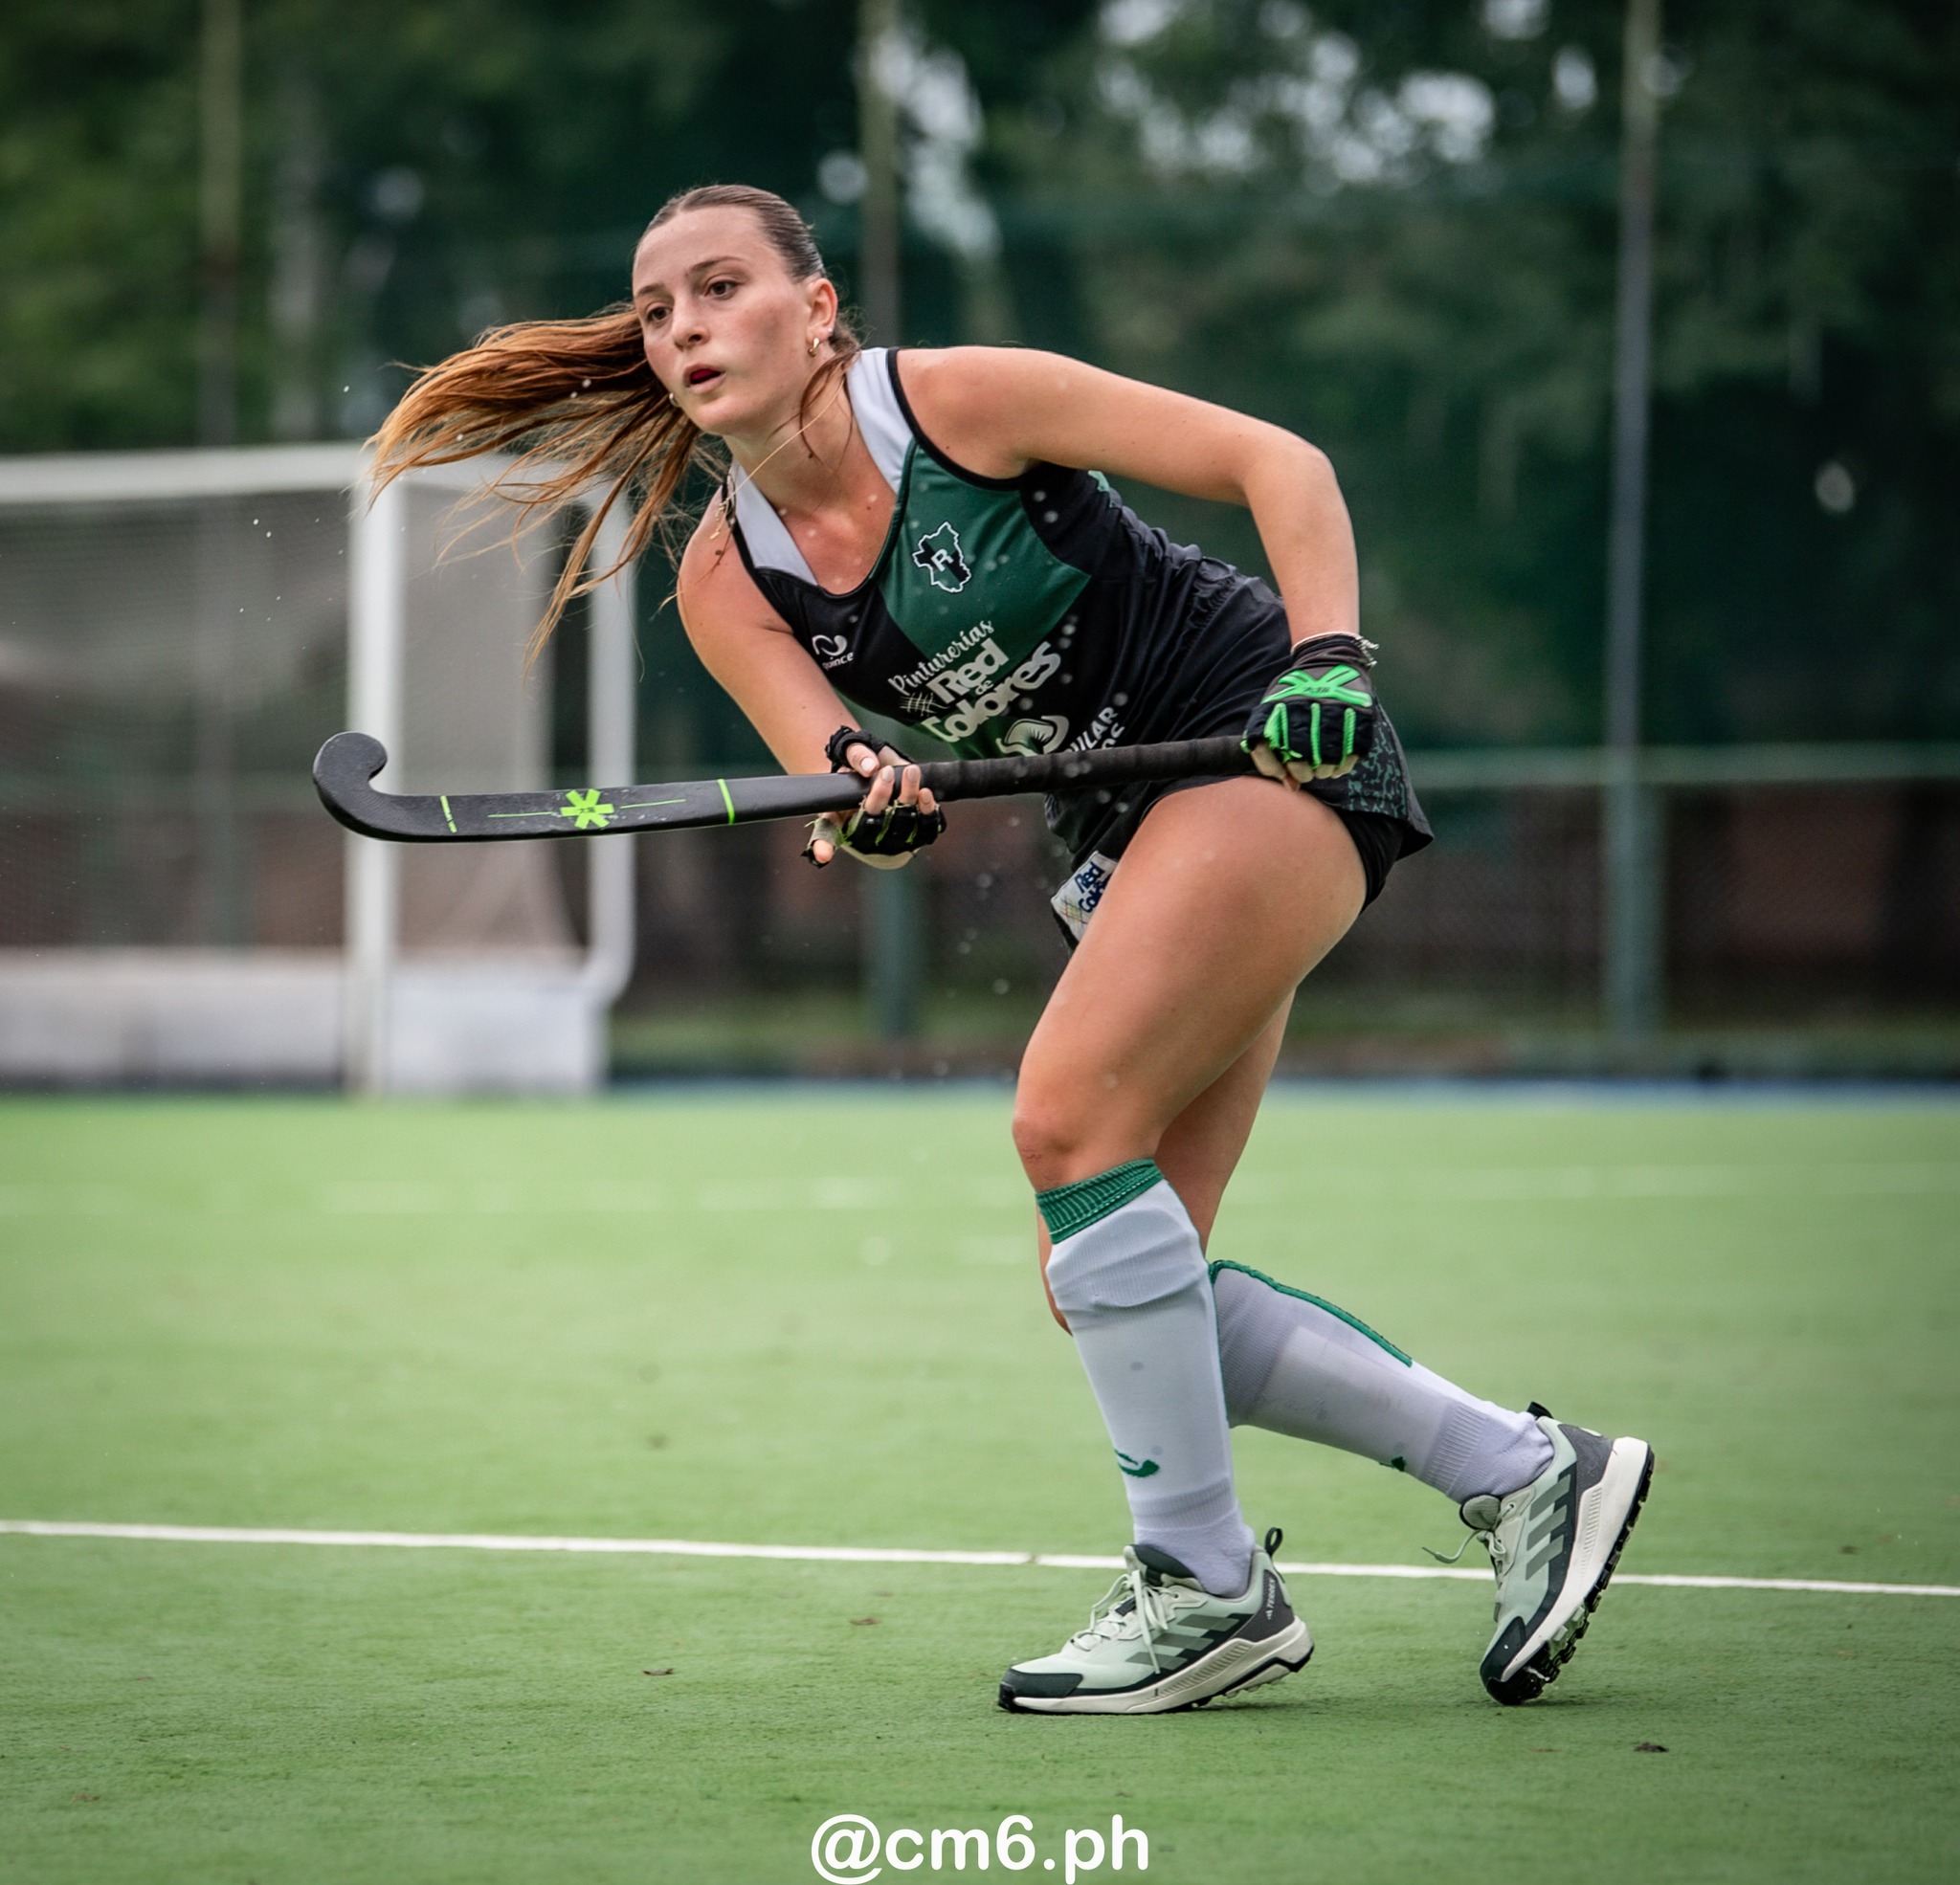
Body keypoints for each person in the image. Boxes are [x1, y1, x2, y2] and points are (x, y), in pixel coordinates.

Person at [371, 183, 1653, 1716]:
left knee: (1061, 1122)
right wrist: (875, 808)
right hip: (1121, 835)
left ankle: (1201, 1580)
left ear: (818, 308)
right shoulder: (726, 579)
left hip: (1266, 750)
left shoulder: (958, 403)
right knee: (1115, 1276)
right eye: (657, 310)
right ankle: (1525, 1473)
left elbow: (1277, 462)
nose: (685, 327)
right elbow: (838, 771)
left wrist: (1332, 657)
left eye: (719, 289)